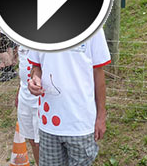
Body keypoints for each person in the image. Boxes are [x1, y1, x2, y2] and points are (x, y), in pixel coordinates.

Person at [27, 29, 111, 166]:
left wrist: (101, 116)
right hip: (49, 124)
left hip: (80, 123)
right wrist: (34, 80)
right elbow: (36, 67)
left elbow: (98, 73)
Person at [15, 44, 39, 165]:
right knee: (33, 140)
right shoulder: (22, 40)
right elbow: (23, 68)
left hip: (41, 103)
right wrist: (19, 90)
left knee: (43, 143)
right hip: (25, 99)